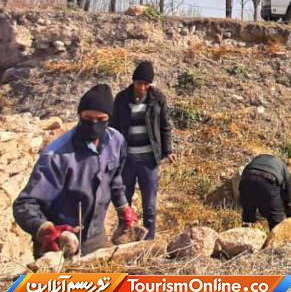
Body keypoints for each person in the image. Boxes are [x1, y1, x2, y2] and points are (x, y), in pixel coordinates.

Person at [13, 85, 137, 257]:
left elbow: (114, 177)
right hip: (60, 245)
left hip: (95, 240)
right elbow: (25, 204)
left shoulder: (116, 142)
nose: (94, 125)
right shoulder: (57, 155)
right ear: (79, 115)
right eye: (88, 118)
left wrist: (123, 208)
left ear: (109, 118)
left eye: (100, 119)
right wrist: (46, 230)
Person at [111, 61, 174, 240]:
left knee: (150, 207)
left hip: (149, 161)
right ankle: (126, 238)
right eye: (140, 83)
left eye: (146, 84)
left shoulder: (157, 99)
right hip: (127, 161)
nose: (143, 88)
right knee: (125, 202)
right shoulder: (122, 99)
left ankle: (148, 243)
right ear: (133, 82)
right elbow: (114, 128)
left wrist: (168, 150)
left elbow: (165, 126)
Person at [239, 154, 291, 229]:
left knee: (248, 218)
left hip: (246, 180)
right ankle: (277, 240)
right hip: (268, 180)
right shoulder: (284, 167)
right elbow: (289, 198)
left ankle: (245, 236)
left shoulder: (259, 159)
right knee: (276, 222)